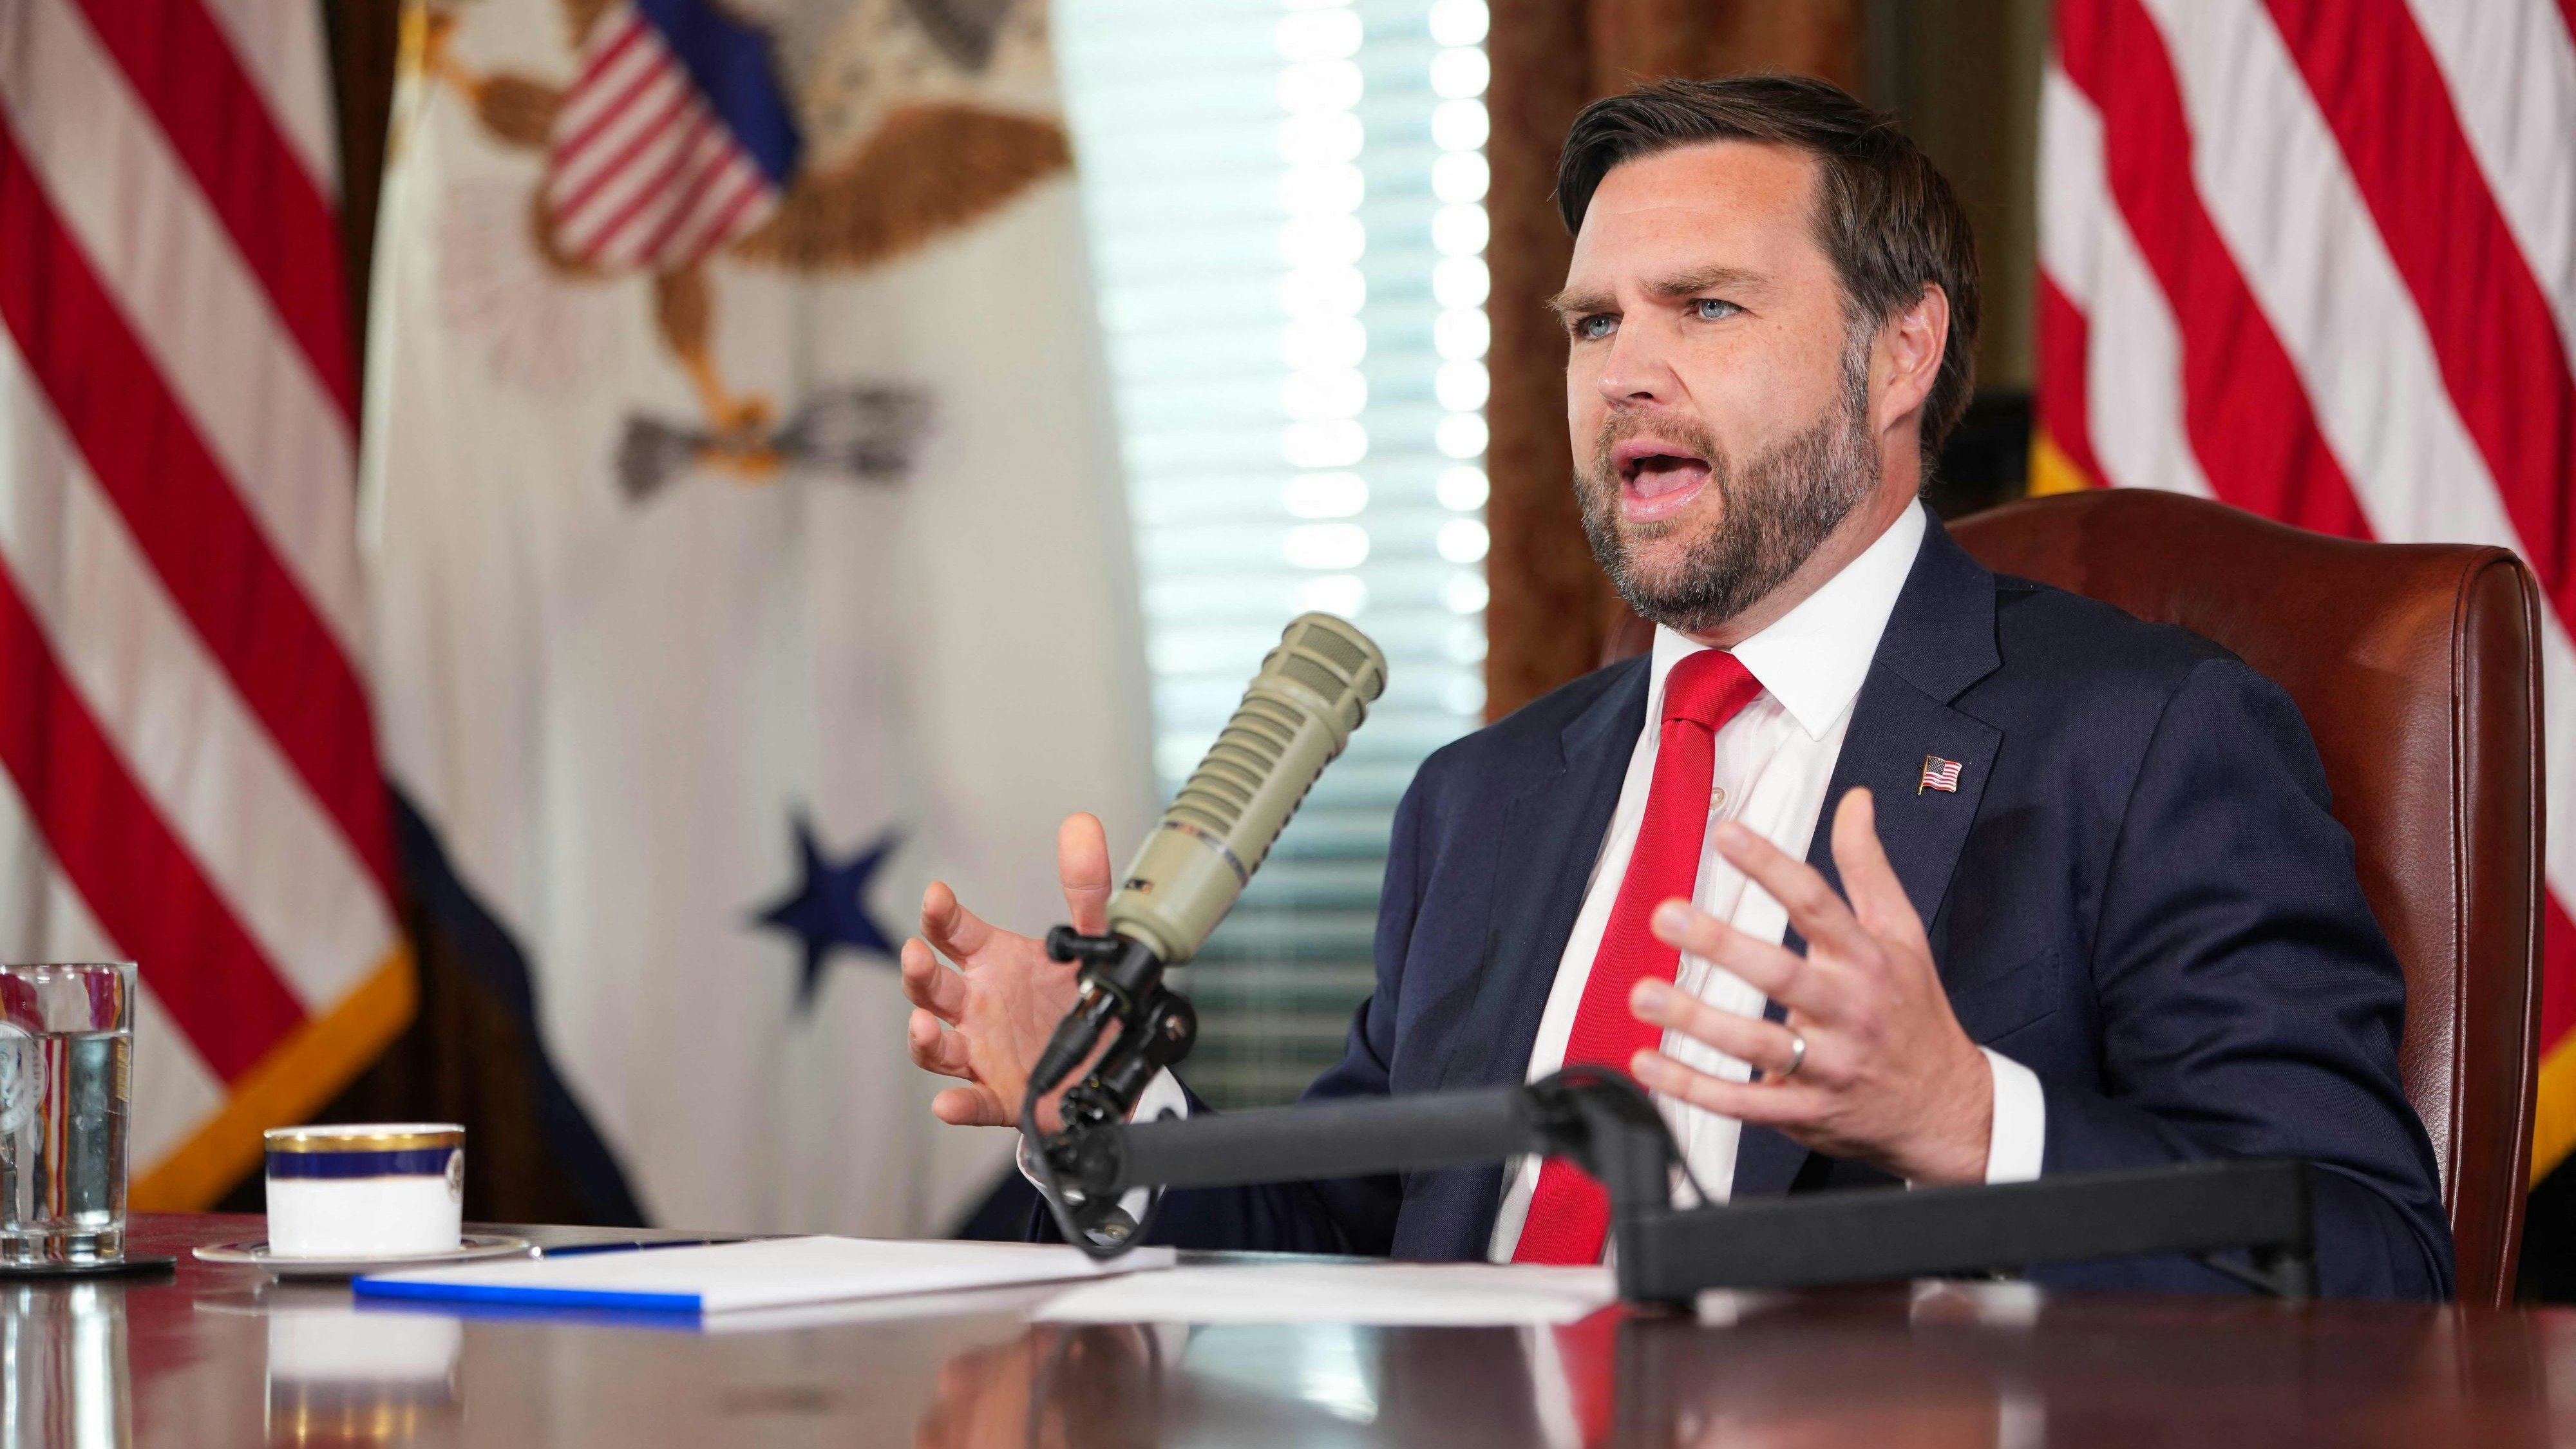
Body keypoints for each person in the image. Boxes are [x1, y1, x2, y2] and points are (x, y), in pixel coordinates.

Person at [900, 75, 2453, 1298]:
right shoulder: (1482, 798)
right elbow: (1374, 1225)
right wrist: (1103, 1108)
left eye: (1703, 307)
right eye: (1592, 323)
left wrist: (1963, 1122)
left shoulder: (2144, 740)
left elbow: (2371, 1260)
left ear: (1896, 354)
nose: (1621, 373)